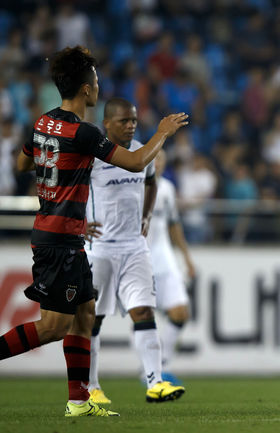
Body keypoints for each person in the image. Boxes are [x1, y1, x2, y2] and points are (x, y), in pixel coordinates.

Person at [0, 46, 188, 417]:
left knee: (85, 313)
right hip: (58, 238)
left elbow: (22, 163)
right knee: (53, 327)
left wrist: (54, 171)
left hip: (65, 235)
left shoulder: (43, 122)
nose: (98, 86)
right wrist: (162, 133)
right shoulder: (83, 133)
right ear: (85, 89)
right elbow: (135, 162)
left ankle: (79, 401)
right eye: (95, 81)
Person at [85, 98, 185, 405]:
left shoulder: (143, 150)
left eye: (133, 120)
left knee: (143, 312)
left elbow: (151, 182)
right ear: (107, 124)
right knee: (93, 319)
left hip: (135, 248)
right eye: (124, 121)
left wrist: (146, 215)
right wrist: (78, 223)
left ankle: (155, 382)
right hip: (99, 249)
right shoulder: (93, 156)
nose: (130, 126)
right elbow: (67, 190)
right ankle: (91, 387)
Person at [145, 149, 196, 375]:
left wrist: (187, 258)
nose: (158, 163)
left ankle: (162, 365)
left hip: (164, 258)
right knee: (143, 316)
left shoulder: (167, 188)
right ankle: (149, 371)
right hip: (139, 258)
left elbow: (174, 224)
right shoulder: (133, 186)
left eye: (161, 159)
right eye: (154, 158)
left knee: (180, 312)